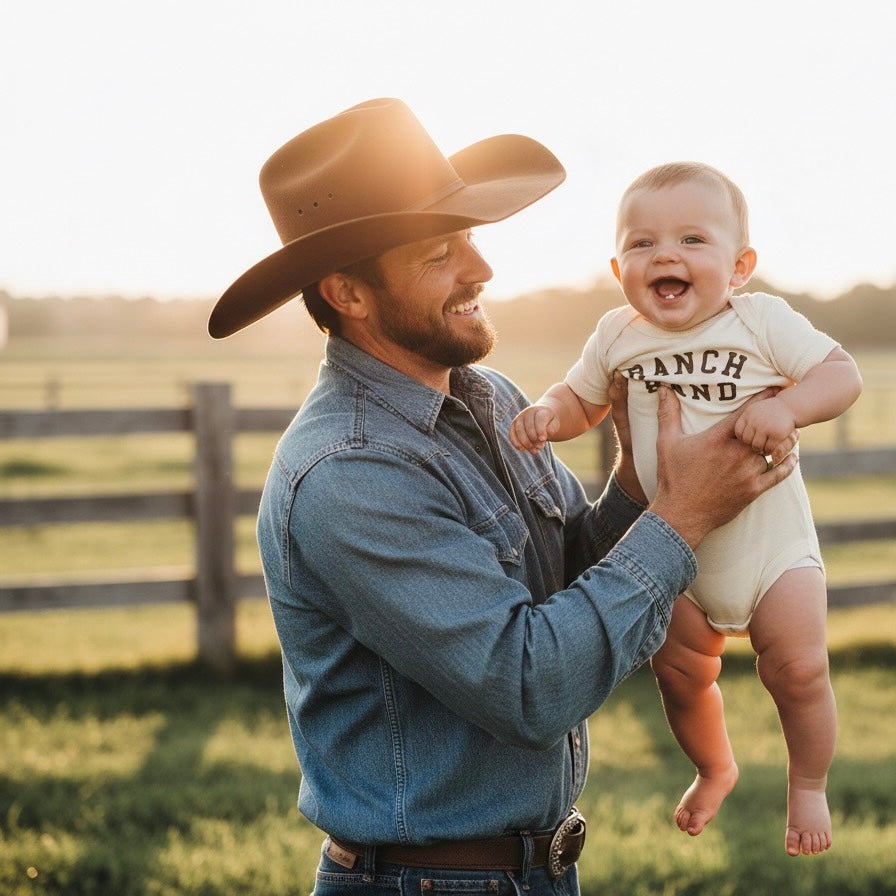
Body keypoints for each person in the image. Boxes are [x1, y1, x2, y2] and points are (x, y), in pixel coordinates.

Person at [209, 101, 798, 895]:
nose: (480, 268)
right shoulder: (350, 472)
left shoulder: (489, 398)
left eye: (471, 238)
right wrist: (684, 515)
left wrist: (636, 480)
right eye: (439, 252)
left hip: (528, 874)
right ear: (348, 292)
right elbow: (531, 686)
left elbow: (565, 585)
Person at [510, 161, 863, 857]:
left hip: (771, 549)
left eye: (693, 240)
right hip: (675, 554)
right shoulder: (618, 334)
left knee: (797, 670)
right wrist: (550, 412)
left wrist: (786, 407)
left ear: (740, 267)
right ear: (619, 269)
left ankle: (808, 784)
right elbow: (583, 398)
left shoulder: (760, 321)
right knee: (680, 674)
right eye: (642, 243)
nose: (665, 255)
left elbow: (841, 374)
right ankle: (714, 767)